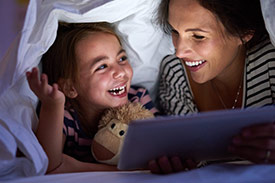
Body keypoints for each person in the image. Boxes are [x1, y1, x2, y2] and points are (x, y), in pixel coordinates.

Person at [150, 0, 275, 174]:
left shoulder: (270, 64)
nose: (179, 51)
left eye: (198, 36)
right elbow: (189, 163)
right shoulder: (175, 72)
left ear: (244, 33)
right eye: (175, 31)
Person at [26, 22, 158, 174]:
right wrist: (52, 106)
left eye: (121, 59)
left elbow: (165, 142)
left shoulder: (138, 98)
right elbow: (49, 165)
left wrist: (74, 165)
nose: (120, 72)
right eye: (102, 66)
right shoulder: (66, 118)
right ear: (70, 88)